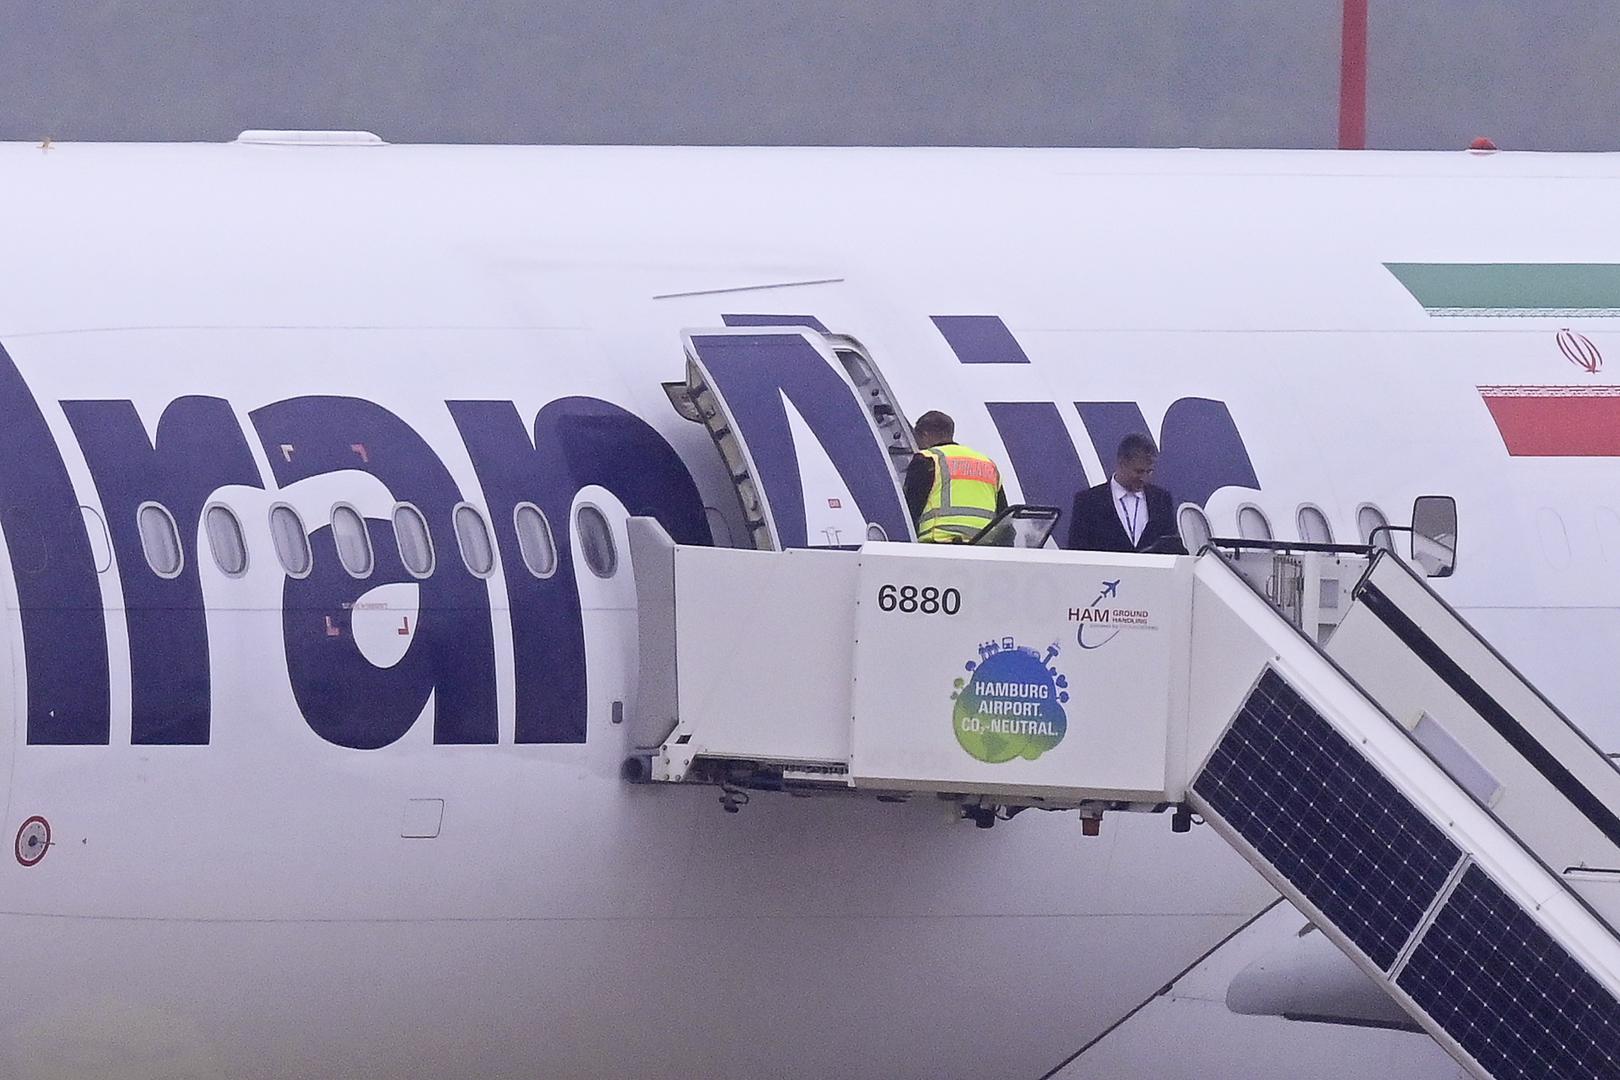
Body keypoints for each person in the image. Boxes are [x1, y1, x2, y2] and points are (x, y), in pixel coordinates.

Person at [1067, 433, 1184, 553]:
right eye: (1138, 471)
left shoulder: (1161, 500)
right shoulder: (1088, 502)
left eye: (1149, 472)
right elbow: (1077, 553)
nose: (1144, 478)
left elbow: (1171, 549)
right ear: (1121, 463)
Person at [904, 411, 1007, 543]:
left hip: (938, 546)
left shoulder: (928, 459)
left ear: (925, 434)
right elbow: (1004, 519)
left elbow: (910, 508)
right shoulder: (988, 464)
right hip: (982, 548)